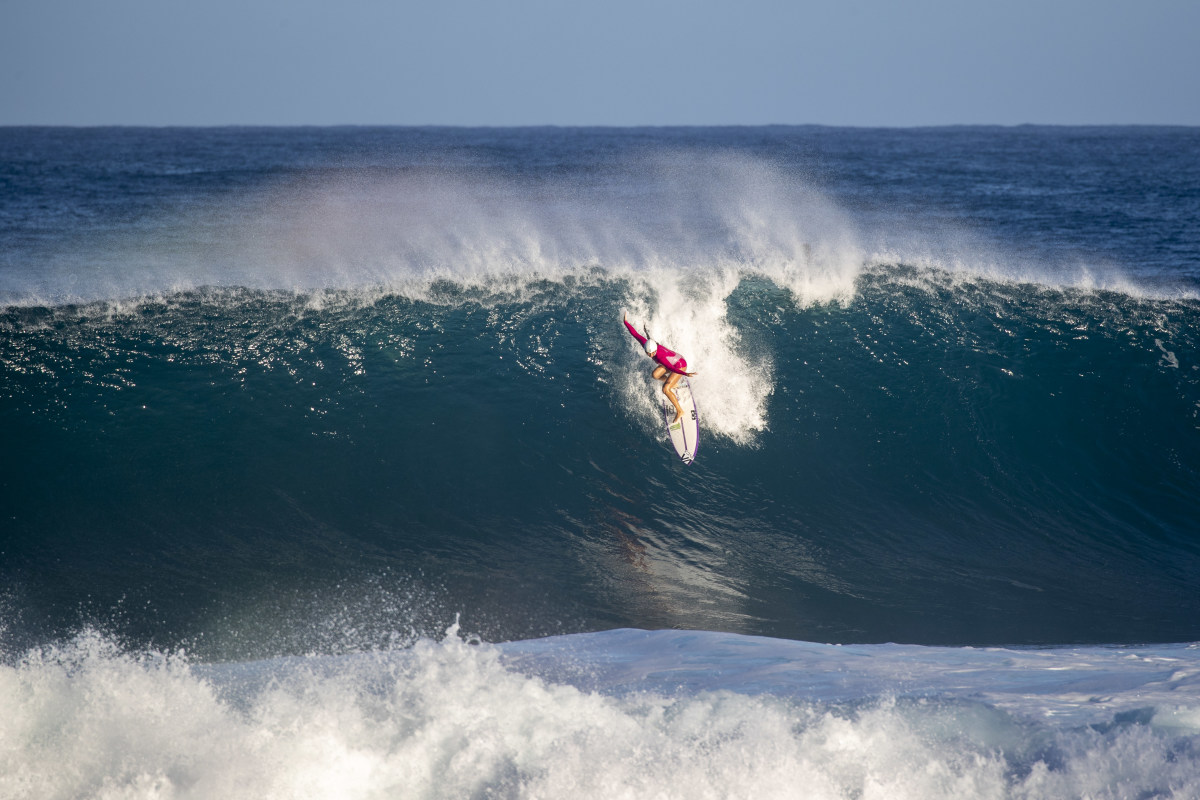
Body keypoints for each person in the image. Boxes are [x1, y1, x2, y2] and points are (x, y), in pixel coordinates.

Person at [623, 312, 697, 423]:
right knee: (655, 374)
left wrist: (686, 374)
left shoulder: (661, 357)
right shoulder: (646, 344)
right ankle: (674, 383)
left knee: (665, 389)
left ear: (655, 350)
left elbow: (672, 368)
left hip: (680, 365)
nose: (650, 356)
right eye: (648, 353)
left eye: (652, 354)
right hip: (674, 361)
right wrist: (625, 322)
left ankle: (680, 411)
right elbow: (635, 334)